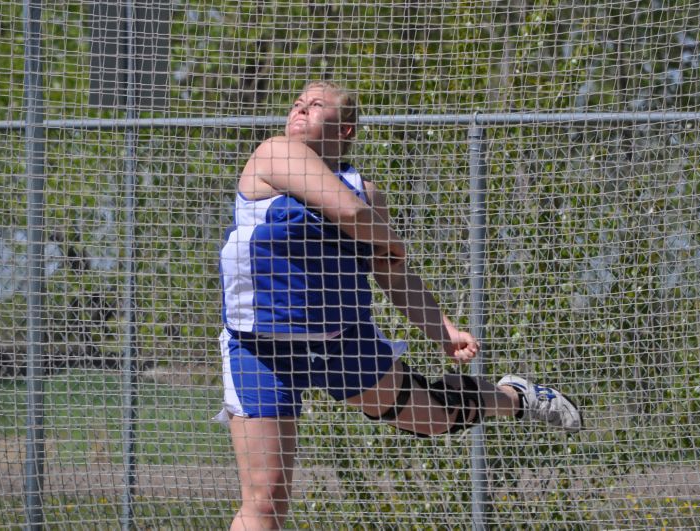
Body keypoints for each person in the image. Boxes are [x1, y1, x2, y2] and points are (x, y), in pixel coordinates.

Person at [215, 81, 583, 529]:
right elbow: (349, 216)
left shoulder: (367, 192)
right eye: (297, 103)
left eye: (316, 105)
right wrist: (388, 238)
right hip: (260, 348)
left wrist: (443, 330)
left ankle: (516, 398)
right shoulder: (274, 153)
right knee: (266, 499)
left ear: (346, 129)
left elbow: (392, 274)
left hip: (342, 340)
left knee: (435, 419)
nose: (300, 109)